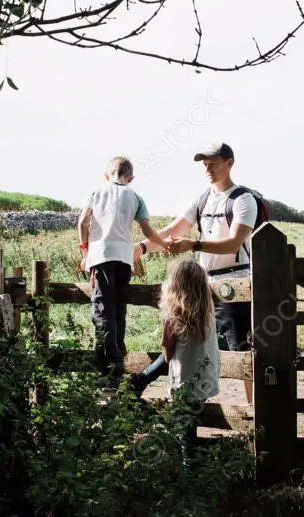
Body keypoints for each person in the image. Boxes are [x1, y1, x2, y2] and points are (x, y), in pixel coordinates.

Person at [129, 142, 257, 401]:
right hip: (201, 284)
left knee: (241, 347)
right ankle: (142, 380)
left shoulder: (243, 200)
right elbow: (173, 231)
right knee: (184, 338)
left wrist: (194, 244)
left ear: (230, 163)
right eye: (205, 165)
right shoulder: (202, 199)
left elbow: (234, 242)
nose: (208, 169)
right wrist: (141, 248)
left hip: (235, 283)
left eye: (214, 163)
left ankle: (251, 412)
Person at [78, 156, 170, 385]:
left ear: (106, 174)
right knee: (118, 310)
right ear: (131, 178)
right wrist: (166, 243)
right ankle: (118, 357)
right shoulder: (136, 197)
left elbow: (82, 223)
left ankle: (111, 369)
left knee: (102, 310)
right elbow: (148, 232)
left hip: (102, 256)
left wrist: (84, 253)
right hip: (125, 259)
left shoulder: (96, 192)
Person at [156, 258, 220, 460]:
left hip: (183, 381)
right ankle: (193, 464)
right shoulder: (208, 313)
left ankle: (188, 468)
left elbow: (167, 350)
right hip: (207, 379)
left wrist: (170, 359)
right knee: (192, 417)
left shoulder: (172, 316)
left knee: (185, 428)